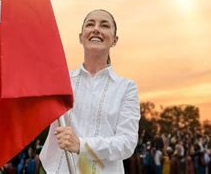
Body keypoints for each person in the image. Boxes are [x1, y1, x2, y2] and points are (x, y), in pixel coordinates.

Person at [40, 9, 141, 173]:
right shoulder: (60, 80)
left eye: (105, 25)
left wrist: (81, 144)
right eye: (90, 24)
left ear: (114, 40)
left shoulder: (126, 88)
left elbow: (127, 143)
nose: (96, 29)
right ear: (81, 37)